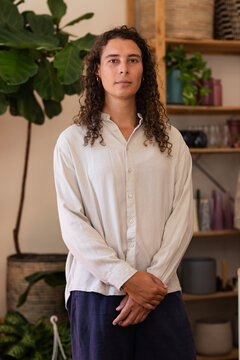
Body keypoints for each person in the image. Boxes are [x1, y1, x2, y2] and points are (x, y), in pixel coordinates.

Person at [54, 25, 196, 360]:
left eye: (133, 60)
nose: (123, 68)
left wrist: (150, 284)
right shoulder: (72, 142)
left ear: (143, 71)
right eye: (113, 60)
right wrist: (127, 279)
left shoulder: (171, 141)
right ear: (98, 71)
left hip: (161, 291)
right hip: (95, 292)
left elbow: (181, 217)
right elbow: (72, 223)